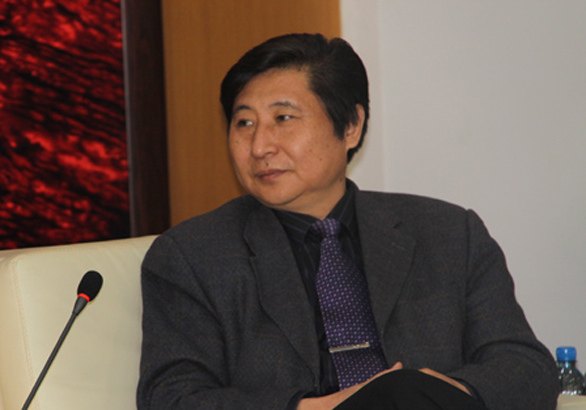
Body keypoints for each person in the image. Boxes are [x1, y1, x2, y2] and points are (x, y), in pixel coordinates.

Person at [137, 33, 559, 409]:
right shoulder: (193, 257)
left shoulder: (449, 233)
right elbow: (170, 396)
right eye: (244, 122)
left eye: (283, 119)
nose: (260, 145)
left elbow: (525, 367)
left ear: (351, 126)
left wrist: (439, 394)